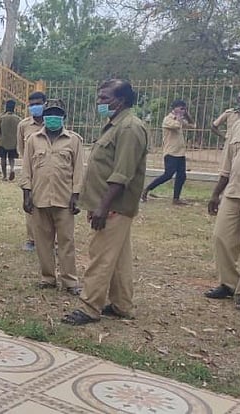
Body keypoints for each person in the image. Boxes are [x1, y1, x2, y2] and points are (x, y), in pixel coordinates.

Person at [63, 79, 148, 326]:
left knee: (100, 256)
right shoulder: (116, 125)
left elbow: (122, 173)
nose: (99, 102)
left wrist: (103, 206)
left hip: (114, 206)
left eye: (104, 98)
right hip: (108, 204)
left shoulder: (130, 128)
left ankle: (90, 307)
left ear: (120, 100)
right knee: (118, 256)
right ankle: (123, 305)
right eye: (99, 97)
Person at [20, 102, 84, 296]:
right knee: (43, 241)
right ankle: (47, 278)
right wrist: (26, 194)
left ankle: (70, 281)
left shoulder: (73, 140)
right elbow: (26, 169)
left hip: (64, 199)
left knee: (66, 242)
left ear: (63, 117)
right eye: (50, 114)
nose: (53, 117)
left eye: (57, 114)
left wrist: (76, 195)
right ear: (44, 117)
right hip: (39, 198)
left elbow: (79, 170)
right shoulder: (33, 140)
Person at [203, 89, 240, 312]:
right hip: (233, 192)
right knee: (221, 238)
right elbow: (227, 163)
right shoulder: (238, 124)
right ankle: (229, 283)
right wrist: (216, 193)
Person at [141, 100, 196, 205]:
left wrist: (187, 115)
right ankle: (147, 189)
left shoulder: (180, 119)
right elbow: (176, 126)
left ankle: (176, 199)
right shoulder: (167, 119)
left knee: (181, 176)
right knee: (168, 175)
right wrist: (179, 117)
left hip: (180, 153)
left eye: (184, 108)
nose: (182, 111)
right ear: (174, 108)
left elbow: (193, 125)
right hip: (171, 153)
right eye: (181, 108)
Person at [16, 91, 48, 252]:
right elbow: (22, 150)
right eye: (32, 104)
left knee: (51, 204)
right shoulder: (23, 125)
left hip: (49, 170)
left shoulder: (52, 123)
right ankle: (31, 239)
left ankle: (52, 241)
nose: (35, 107)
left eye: (38, 103)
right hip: (31, 170)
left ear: (45, 104)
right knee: (30, 204)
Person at [0, 100, 21, 181]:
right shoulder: (18, 119)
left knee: (3, 158)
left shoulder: (2, 117)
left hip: (3, 141)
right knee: (11, 158)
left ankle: (4, 176)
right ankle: (12, 169)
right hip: (13, 142)